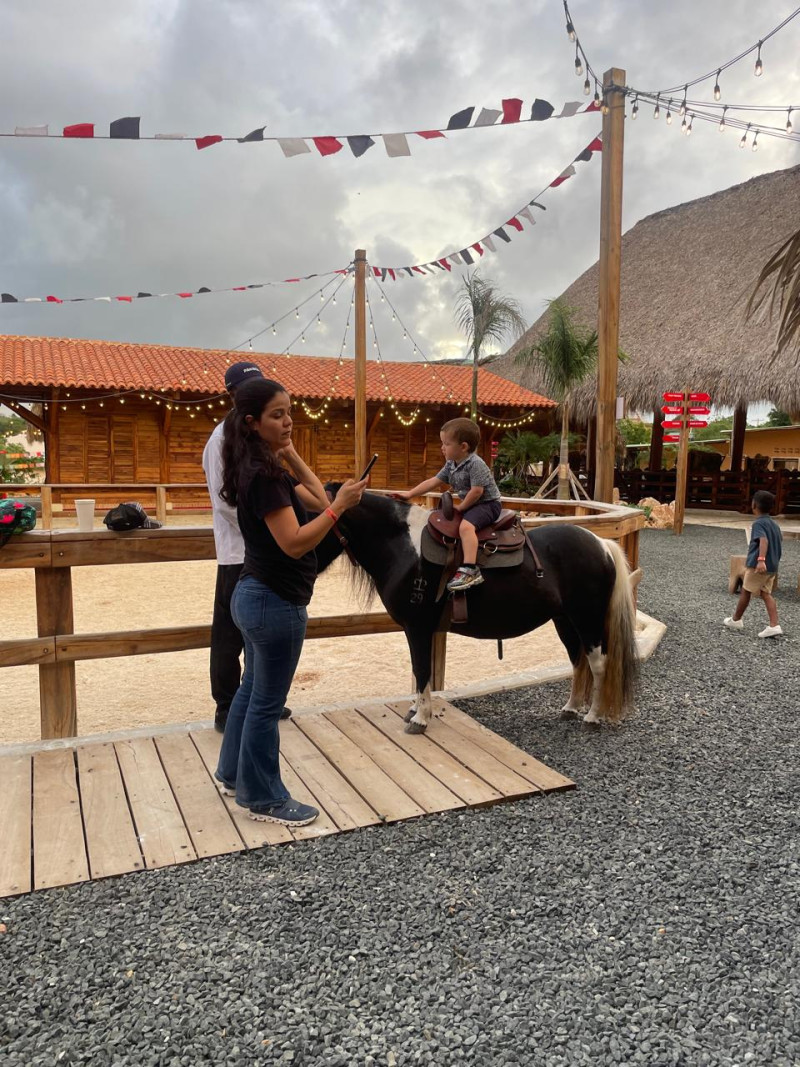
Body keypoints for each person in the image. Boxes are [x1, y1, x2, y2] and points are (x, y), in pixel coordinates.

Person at [215, 376, 367, 825]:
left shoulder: (263, 467)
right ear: (251, 422)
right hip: (273, 602)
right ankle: (262, 797)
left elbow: (320, 497)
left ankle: (231, 772)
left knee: (251, 691)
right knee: (266, 702)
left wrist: (291, 454)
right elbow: (296, 542)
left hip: (256, 596)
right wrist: (340, 509)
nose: (288, 422)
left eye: (290, 413)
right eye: (277, 415)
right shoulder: (262, 478)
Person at [202, 360, 291, 732]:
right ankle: (226, 705)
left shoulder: (260, 440)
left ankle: (260, 697)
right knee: (228, 633)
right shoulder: (221, 440)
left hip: (264, 549)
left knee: (262, 629)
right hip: (238, 552)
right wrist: (264, 525)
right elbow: (223, 502)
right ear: (232, 396)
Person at [393, 417, 501, 592]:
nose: (442, 447)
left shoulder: (476, 464)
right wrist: (410, 493)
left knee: (466, 528)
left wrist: (462, 507)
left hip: (487, 504)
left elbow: (477, 491)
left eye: (446, 443)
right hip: (472, 503)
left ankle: (470, 569)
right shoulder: (451, 464)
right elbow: (433, 481)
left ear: (463, 447)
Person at [724, 490, 783, 638]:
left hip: (759, 566)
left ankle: (736, 620)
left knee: (746, 591)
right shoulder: (774, 525)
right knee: (765, 593)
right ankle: (774, 624)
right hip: (772, 566)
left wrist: (761, 560)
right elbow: (778, 542)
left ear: (754, 505)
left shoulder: (759, 524)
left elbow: (763, 541)